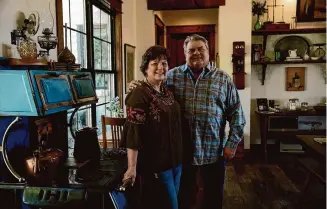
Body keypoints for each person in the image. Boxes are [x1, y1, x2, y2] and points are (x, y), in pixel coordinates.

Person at [128, 34, 246, 209]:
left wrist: (232, 143)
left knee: (213, 200)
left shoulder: (223, 79)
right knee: (184, 200)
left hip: (213, 151)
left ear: (208, 51)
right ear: (185, 53)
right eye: (191, 50)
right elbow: (153, 88)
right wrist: (137, 85)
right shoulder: (172, 76)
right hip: (182, 154)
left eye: (201, 49)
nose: (196, 53)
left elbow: (237, 114)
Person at [122, 45, 183, 209]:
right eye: (155, 63)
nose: (160, 67)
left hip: (176, 162)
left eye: (164, 63)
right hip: (158, 165)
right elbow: (133, 133)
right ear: (145, 67)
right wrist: (131, 167)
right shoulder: (139, 94)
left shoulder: (165, 90)